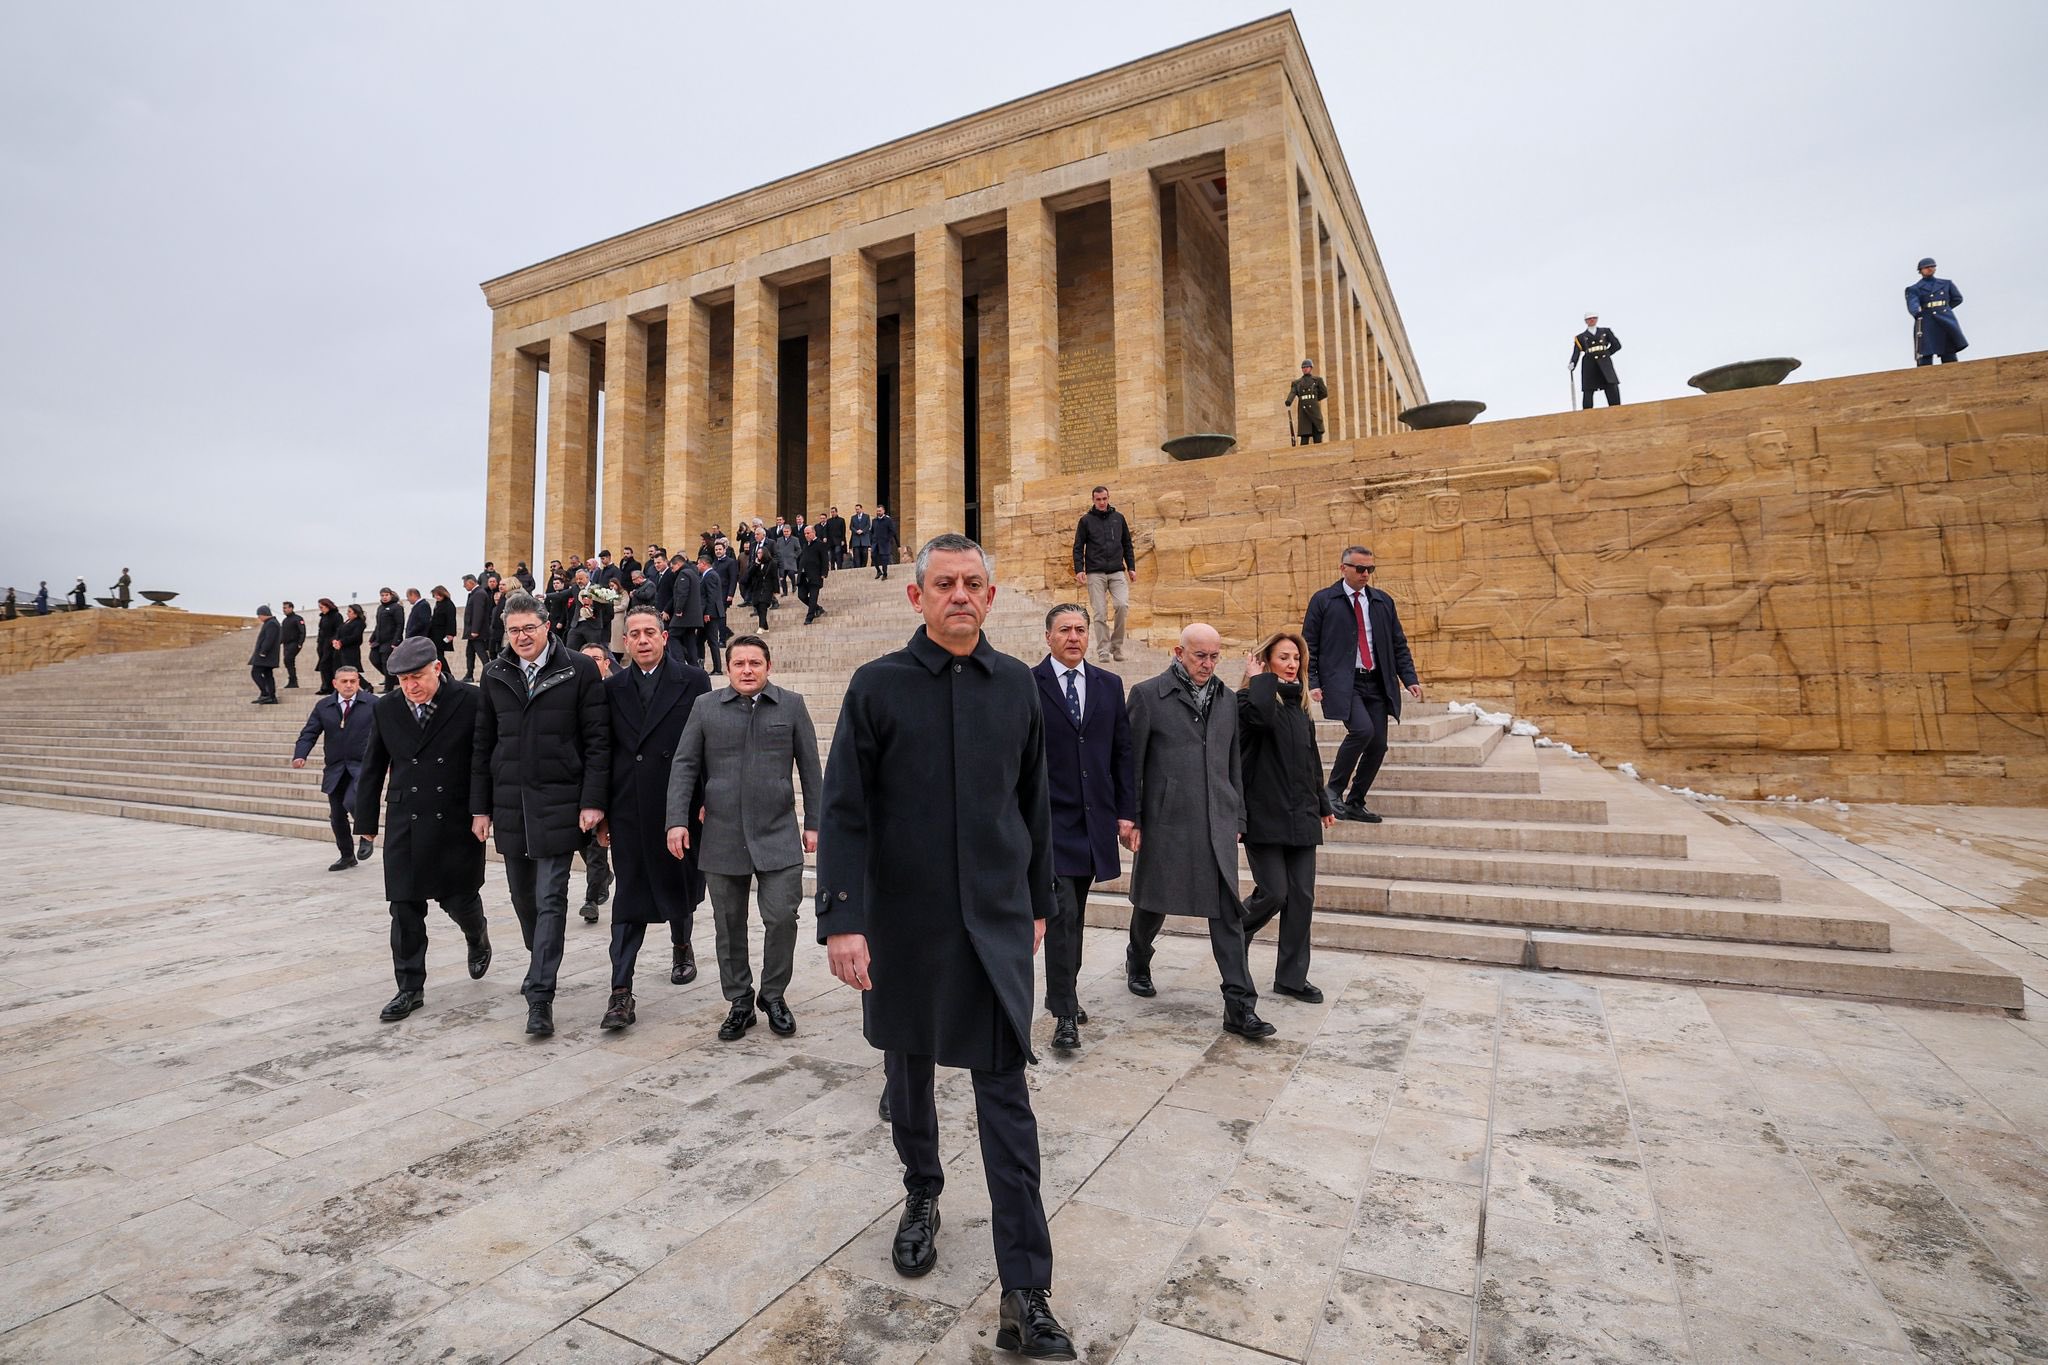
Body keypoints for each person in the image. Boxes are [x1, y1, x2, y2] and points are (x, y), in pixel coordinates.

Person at [816, 534, 1074, 1360]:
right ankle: (922, 1190)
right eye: (944, 583)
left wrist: (1039, 903)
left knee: (1007, 1095)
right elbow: (844, 808)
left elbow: (1034, 800)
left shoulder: (1018, 685)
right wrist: (843, 919)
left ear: (990, 597)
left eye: (972, 583)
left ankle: (1026, 1287)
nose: (959, 595)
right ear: (917, 596)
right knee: (910, 1072)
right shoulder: (876, 685)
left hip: (994, 922)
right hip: (904, 920)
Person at [667, 633, 819, 1039]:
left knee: (782, 916)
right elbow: (684, 765)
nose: (747, 670)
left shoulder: (791, 705)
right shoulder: (705, 707)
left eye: (755, 663)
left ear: (769, 666)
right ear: (729, 668)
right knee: (729, 922)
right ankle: (739, 1001)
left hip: (778, 833)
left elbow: (811, 767)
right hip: (722, 833)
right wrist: (677, 820)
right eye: (739, 663)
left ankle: (773, 995)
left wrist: (815, 822)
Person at [473, 590, 610, 1038]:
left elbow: (597, 740)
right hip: (511, 803)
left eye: (529, 628)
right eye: (514, 631)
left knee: (551, 898)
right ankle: (540, 962)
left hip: (559, 800)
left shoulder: (579, 668)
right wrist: (480, 808)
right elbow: (483, 743)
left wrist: (593, 800)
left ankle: (540, 996)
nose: (522, 637)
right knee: (523, 900)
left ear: (547, 626)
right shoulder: (495, 673)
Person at [1125, 623, 1270, 1039]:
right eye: (1199, 656)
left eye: (1214, 656)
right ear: (1179, 652)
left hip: (1217, 819)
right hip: (1167, 819)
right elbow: (1131, 764)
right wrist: (1131, 817)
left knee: (1227, 911)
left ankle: (1239, 1006)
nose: (1207, 664)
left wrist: (1237, 815)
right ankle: (1138, 956)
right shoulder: (1147, 695)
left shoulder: (1226, 699)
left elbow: (1233, 762)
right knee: (1153, 902)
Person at [355, 636, 493, 1022]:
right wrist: (365, 822)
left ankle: (477, 936)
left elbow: (483, 760)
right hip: (406, 819)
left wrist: (483, 810)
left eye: (417, 677)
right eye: (403, 680)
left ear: (437, 667)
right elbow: (373, 765)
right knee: (404, 908)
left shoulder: (470, 700)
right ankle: (409, 988)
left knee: (459, 900)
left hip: (455, 817)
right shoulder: (387, 708)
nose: (410, 686)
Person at [596, 605, 712, 1028]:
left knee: (677, 885)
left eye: (650, 632)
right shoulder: (612, 688)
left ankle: (682, 945)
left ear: (664, 637)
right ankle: (620, 992)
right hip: (629, 807)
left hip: (678, 805)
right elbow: (603, 752)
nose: (643, 640)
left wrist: (707, 798)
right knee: (628, 898)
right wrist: (602, 811)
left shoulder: (694, 680)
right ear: (625, 642)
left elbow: (707, 743)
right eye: (635, 634)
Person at [1031, 604, 1135, 1052]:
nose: (1073, 637)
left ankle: (1066, 994)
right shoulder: (1029, 684)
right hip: (1051, 824)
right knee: (1061, 916)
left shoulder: (1108, 685)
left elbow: (1122, 753)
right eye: (1064, 630)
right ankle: (1064, 1013)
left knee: (1075, 915)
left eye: (1080, 629)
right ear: (1048, 637)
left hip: (1093, 823)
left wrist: (1127, 813)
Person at [1237, 632, 1337, 1003]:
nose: (1292, 664)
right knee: (1274, 893)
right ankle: (1233, 934)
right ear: (1265, 662)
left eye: (1296, 658)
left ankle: (1292, 978)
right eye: (1284, 657)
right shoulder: (1247, 700)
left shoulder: (1301, 707)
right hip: (1264, 815)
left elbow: (1311, 759)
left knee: (1301, 898)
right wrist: (1258, 681)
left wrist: (1323, 803)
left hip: (1302, 815)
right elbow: (1261, 721)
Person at [1303, 546, 1423, 823]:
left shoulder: (1382, 602)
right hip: (1344, 682)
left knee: (1378, 744)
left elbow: (1398, 643)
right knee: (1362, 730)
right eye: (1360, 569)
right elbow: (1310, 645)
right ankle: (1332, 791)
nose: (1366, 574)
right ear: (1343, 568)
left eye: (1370, 569)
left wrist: (1409, 678)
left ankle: (1356, 801)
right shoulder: (1324, 600)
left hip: (1377, 682)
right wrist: (1313, 681)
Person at [292, 664, 375, 871]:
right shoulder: (324, 706)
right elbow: (310, 732)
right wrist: (300, 754)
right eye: (344, 681)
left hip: (362, 766)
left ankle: (367, 833)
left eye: (353, 681)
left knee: (352, 800)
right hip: (335, 768)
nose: (349, 685)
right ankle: (347, 856)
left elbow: (390, 731)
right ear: (335, 683)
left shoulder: (372, 703)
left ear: (358, 682)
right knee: (337, 815)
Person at [574, 643, 619, 923]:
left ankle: (592, 898)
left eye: (595, 658)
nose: (590, 663)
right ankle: (603, 876)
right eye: (585, 658)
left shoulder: (615, 691)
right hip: (578, 778)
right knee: (583, 840)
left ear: (606, 663)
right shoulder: (572, 691)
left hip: (609, 776)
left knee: (595, 843)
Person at [1072, 485, 1137, 663]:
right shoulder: (1086, 521)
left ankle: (1117, 646)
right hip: (1095, 573)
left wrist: (1131, 567)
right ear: (1093, 500)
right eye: (1098, 499)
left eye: (1104, 499)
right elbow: (1078, 546)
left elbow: (1127, 544)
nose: (1102, 502)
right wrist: (1079, 569)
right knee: (1100, 613)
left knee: (1122, 606)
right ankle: (1103, 650)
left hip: (1117, 571)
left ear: (1108, 498)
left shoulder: (1118, 518)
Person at [1907, 257, 1967, 366]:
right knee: (1925, 352)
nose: (1929, 269)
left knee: (1949, 351)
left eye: (1932, 266)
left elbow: (1957, 299)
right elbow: (1913, 303)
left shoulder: (1946, 283)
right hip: (1926, 321)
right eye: (1926, 267)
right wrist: (1917, 312)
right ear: (1920, 270)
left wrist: (1944, 309)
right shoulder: (1914, 288)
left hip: (1945, 319)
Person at [1571, 313, 1622, 408]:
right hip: (1589, 364)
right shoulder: (1580, 337)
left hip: (1605, 363)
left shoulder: (1605, 331)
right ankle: (1587, 413)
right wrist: (1573, 363)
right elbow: (1576, 352)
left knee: (1611, 386)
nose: (1592, 320)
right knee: (1588, 390)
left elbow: (1617, 345)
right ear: (1586, 321)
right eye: (1589, 319)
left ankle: (1616, 409)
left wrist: (1606, 353)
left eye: (1594, 318)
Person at [1286, 359, 1328, 444]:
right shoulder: (1297, 383)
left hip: (1314, 411)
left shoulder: (1317, 380)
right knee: (1304, 437)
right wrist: (1289, 400)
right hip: (1303, 411)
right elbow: (1293, 392)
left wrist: (1314, 399)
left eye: (1307, 367)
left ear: (1311, 368)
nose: (1305, 369)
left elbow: (1324, 393)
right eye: (1303, 367)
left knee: (1317, 435)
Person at [739, 544, 777, 632]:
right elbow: (749, 574)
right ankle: (765, 627)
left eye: (760, 553)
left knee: (763, 606)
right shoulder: (755, 564)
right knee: (758, 606)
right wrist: (756, 565)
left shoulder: (772, 563)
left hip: (767, 588)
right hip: (757, 588)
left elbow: (774, 577)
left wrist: (776, 589)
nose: (759, 555)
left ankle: (761, 627)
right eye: (758, 553)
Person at [371, 588, 403, 693]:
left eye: (386, 595)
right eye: (382, 595)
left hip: (390, 640)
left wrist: (396, 641)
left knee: (386, 663)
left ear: (391, 595)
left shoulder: (396, 607)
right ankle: (392, 679)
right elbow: (378, 625)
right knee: (374, 658)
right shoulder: (380, 608)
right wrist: (372, 637)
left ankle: (388, 688)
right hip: (379, 641)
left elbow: (400, 625)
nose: (384, 597)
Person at [797, 525, 831, 624]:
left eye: (808, 533)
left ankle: (809, 617)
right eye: (805, 534)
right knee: (801, 596)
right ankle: (818, 608)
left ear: (813, 533)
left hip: (815, 575)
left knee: (813, 597)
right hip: (803, 576)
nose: (806, 535)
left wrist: (824, 573)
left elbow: (825, 559)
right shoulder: (805, 545)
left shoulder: (820, 544)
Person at [462, 574, 493, 681]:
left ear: (471, 582)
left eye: (465, 584)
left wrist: (475, 630)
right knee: (469, 653)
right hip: (472, 631)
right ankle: (469, 675)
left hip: (477, 632)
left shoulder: (479, 594)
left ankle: (490, 674)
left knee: (482, 654)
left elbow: (478, 613)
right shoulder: (476, 593)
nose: (464, 586)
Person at [249, 605, 281, 705]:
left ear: (264, 614)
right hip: (268, 656)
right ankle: (271, 697)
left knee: (255, 673)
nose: (259, 618)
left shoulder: (271, 623)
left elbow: (269, 639)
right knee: (268, 675)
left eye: (259, 615)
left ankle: (265, 693)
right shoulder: (271, 623)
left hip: (265, 656)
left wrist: (263, 651)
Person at [314, 598, 343, 696]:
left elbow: (338, 630)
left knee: (328, 665)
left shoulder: (336, 616)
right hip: (322, 644)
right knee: (323, 666)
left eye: (322, 607)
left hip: (331, 644)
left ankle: (331, 687)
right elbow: (321, 631)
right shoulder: (323, 617)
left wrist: (333, 640)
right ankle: (325, 686)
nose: (321, 609)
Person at [278, 602, 306, 690]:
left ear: (291, 608)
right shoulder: (285, 621)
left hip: (294, 643)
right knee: (288, 662)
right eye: (283, 608)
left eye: (286, 608)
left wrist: (300, 643)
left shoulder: (298, 618)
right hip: (286, 644)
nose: (284, 610)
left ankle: (293, 680)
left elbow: (302, 631)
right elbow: (282, 634)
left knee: (288, 659)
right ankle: (292, 680)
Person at [429, 585, 458, 666]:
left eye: (438, 595)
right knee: (437, 653)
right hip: (435, 633)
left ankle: (446, 671)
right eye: (435, 595)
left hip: (442, 633)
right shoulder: (438, 604)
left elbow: (451, 620)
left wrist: (450, 633)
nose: (436, 597)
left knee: (439, 654)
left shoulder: (448, 604)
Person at [337, 603, 366, 675]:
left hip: (351, 650)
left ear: (356, 613)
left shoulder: (359, 623)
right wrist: (336, 640)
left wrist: (342, 641)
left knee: (352, 669)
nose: (347, 613)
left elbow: (355, 636)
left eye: (349, 612)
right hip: (342, 649)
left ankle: (362, 682)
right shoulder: (346, 622)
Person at [773, 523, 801, 596]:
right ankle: (785, 592)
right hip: (782, 561)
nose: (786, 533)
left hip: (791, 561)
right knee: (782, 578)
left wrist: (794, 556)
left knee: (791, 573)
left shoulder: (795, 539)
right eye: (784, 531)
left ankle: (794, 585)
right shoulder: (779, 540)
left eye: (787, 531)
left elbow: (799, 550)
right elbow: (776, 549)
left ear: (790, 531)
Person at [870, 505, 897, 579]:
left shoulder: (888, 520)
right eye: (877, 511)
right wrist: (872, 540)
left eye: (880, 511)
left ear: (883, 511)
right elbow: (871, 531)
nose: (878, 512)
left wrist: (887, 538)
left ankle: (885, 574)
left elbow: (893, 531)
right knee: (873, 556)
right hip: (875, 543)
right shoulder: (874, 520)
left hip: (885, 543)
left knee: (884, 559)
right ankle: (879, 571)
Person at [849, 504, 872, 569]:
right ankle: (858, 568)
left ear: (861, 509)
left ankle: (863, 567)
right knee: (856, 555)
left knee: (865, 554)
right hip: (856, 539)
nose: (857, 510)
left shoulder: (866, 516)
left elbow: (868, 525)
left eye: (858, 509)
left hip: (864, 539)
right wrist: (856, 531)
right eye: (856, 509)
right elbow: (851, 527)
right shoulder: (853, 517)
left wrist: (862, 531)